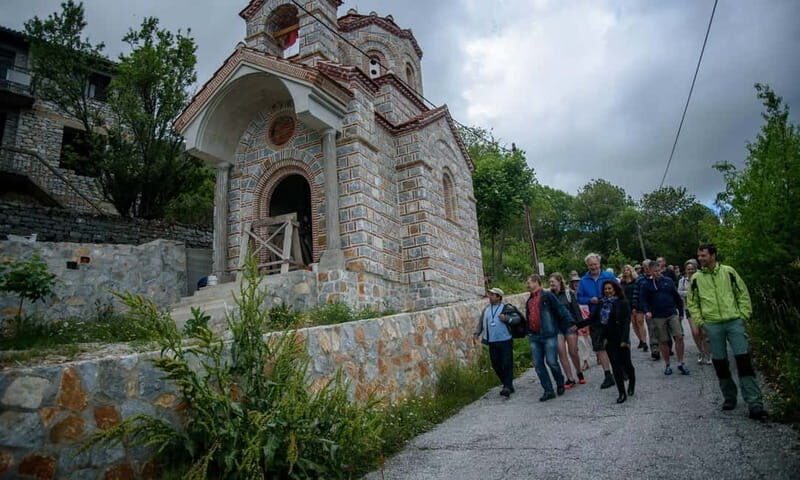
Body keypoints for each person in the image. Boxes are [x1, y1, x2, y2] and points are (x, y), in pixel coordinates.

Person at [687, 244, 768, 420]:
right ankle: (729, 397)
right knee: (720, 362)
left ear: (713, 255)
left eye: (703, 255)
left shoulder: (728, 272)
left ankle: (754, 403)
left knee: (743, 361)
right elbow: (692, 302)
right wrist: (701, 322)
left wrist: (743, 316)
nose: (700, 259)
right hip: (712, 324)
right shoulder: (696, 278)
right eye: (699, 256)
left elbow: (742, 293)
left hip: (733, 321)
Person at [577, 280, 636, 403]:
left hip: (622, 337)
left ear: (615, 289)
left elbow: (626, 322)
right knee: (615, 365)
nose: (607, 291)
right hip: (609, 338)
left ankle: (631, 383)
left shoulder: (622, 302)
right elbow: (593, 319)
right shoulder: (601, 304)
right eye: (605, 289)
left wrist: (625, 340)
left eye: (610, 288)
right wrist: (577, 325)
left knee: (627, 364)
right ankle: (621, 392)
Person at [526, 274, 575, 401]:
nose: (527, 285)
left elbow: (560, 309)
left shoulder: (547, 296)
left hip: (548, 334)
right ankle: (548, 390)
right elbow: (529, 316)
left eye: (529, 282)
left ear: (536, 282)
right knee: (538, 364)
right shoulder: (529, 300)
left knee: (551, 361)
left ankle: (560, 383)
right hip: (534, 336)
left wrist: (570, 322)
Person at [640, 260, 689, 376]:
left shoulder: (668, 281)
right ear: (650, 271)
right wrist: (647, 311)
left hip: (671, 312)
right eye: (654, 271)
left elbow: (676, 297)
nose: (657, 273)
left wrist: (681, 312)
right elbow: (643, 300)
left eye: (659, 271)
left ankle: (681, 362)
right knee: (663, 340)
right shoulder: (646, 284)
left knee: (679, 336)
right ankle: (667, 364)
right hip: (657, 316)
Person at [577, 253, 618, 389]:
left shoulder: (608, 276)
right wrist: (590, 300)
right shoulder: (584, 280)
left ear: (599, 264)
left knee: (615, 343)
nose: (593, 267)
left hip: (611, 314)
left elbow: (618, 291)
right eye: (590, 265)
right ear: (587, 266)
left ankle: (620, 369)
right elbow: (579, 298)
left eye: (595, 264)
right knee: (600, 346)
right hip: (595, 316)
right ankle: (607, 374)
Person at [473, 287, 516, 397]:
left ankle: (507, 386)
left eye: (492, 295)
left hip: (505, 340)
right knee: (496, 365)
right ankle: (507, 384)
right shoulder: (486, 310)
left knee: (507, 363)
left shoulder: (506, 308)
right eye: (490, 294)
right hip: (492, 341)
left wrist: (506, 318)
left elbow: (517, 319)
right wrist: (476, 334)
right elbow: (481, 323)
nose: (490, 297)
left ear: (498, 297)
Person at [549, 273, 584, 387]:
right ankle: (570, 378)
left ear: (559, 281)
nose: (551, 284)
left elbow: (576, 309)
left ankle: (579, 372)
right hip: (557, 327)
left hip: (570, 325)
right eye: (550, 282)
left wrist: (579, 325)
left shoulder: (569, 294)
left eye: (553, 281)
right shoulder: (549, 296)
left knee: (573, 352)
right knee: (562, 353)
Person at [678, 259, 711, 365]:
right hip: (689, 309)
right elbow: (680, 292)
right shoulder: (682, 281)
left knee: (704, 333)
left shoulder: (701, 277)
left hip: (703, 308)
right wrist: (691, 292)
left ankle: (708, 353)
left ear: (696, 269)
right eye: (688, 269)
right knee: (695, 332)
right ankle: (701, 351)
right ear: (685, 270)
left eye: (692, 269)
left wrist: (690, 293)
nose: (690, 271)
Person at [620, 265, 646, 350]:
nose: (626, 271)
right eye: (624, 270)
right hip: (628, 304)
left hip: (637, 302)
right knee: (634, 323)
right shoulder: (622, 282)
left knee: (640, 321)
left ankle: (644, 341)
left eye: (628, 270)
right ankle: (640, 339)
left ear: (631, 271)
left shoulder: (636, 281)